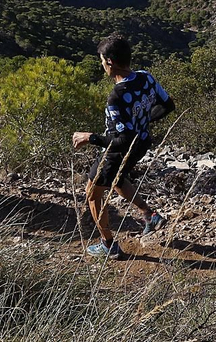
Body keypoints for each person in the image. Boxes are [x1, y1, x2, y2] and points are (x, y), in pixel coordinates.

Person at [71, 34, 174, 260]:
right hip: (142, 143)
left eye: (101, 61)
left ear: (110, 62)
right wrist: (144, 120)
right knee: (117, 180)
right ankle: (149, 215)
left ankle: (108, 244)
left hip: (118, 151)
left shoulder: (116, 97)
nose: (101, 65)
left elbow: (123, 139)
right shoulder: (146, 78)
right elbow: (168, 105)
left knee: (92, 193)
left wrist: (92, 138)